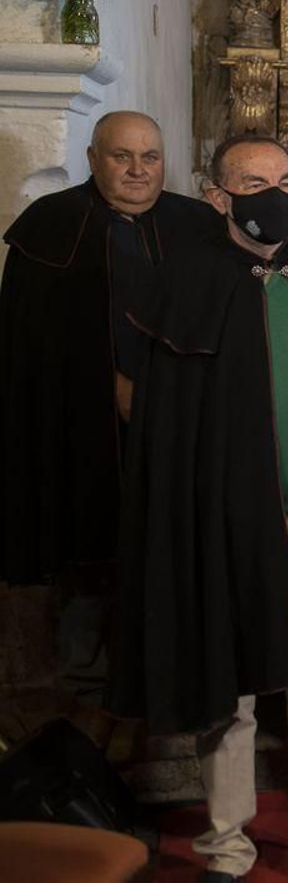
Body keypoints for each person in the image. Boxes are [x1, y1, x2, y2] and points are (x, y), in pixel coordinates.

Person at [110, 135, 288, 883]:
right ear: (218, 195)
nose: (273, 194)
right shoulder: (185, 283)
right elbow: (166, 429)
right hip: (225, 529)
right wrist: (241, 511)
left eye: (284, 180)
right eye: (252, 181)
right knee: (228, 692)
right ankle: (227, 846)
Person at [0, 111, 213, 704]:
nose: (138, 170)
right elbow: (30, 354)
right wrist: (110, 387)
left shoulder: (196, 225)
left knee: (177, 560)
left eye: (150, 156)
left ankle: (168, 685)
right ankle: (88, 696)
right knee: (90, 563)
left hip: (181, 433)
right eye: (122, 157)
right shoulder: (50, 226)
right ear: (93, 159)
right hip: (80, 435)